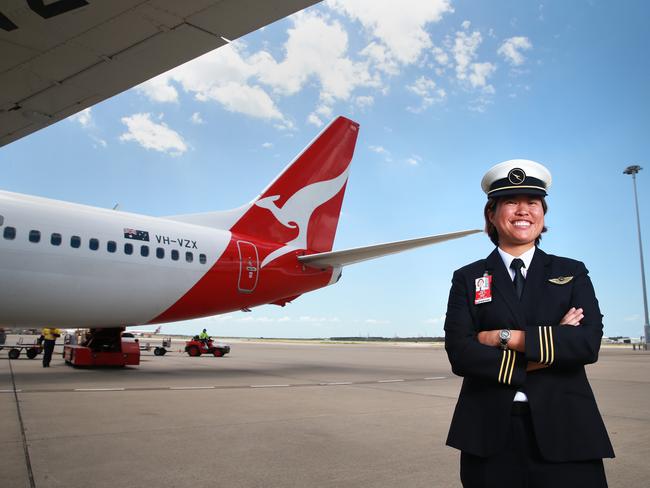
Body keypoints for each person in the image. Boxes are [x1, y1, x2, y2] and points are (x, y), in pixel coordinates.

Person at [444, 159, 614, 488]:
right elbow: (461, 353)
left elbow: (586, 343)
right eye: (511, 202)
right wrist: (553, 342)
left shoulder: (571, 271)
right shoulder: (467, 278)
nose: (523, 210)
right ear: (491, 215)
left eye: (532, 203)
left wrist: (502, 337)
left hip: (568, 431)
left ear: (543, 214)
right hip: (489, 436)